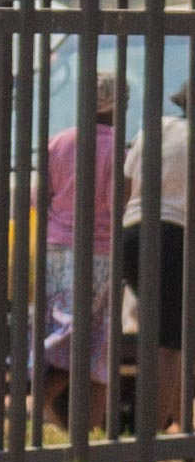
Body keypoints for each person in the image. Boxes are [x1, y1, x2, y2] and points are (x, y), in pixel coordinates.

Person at [42, 72, 127, 430]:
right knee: (92, 341)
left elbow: (40, 193)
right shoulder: (117, 151)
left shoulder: (59, 142)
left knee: (64, 331)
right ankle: (34, 411)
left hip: (57, 249)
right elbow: (117, 204)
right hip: (101, 254)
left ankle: (67, 426)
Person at [120, 80, 189, 432]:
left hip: (132, 232)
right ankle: (146, 445)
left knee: (166, 340)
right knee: (169, 348)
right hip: (174, 238)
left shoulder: (157, 127)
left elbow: (127, 183)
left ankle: (186, 432)